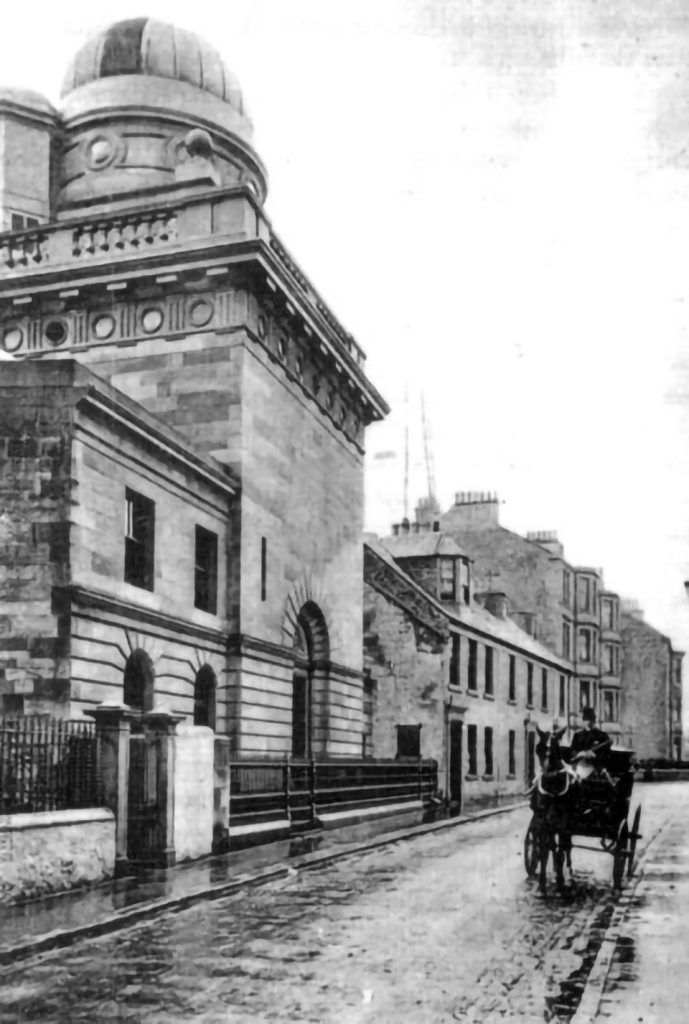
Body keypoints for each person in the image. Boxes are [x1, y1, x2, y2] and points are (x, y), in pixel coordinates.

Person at [569, 708, 612, 781]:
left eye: (591, 719)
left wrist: (595, 756)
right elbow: (572, 750)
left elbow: (607, 754)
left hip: (596, 769)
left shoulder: (602, 736)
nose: (589, 722)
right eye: (586, 719)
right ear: (583, 720)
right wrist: (579, 754)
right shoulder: (578, 735)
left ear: (594, 721)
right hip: (580, 767)